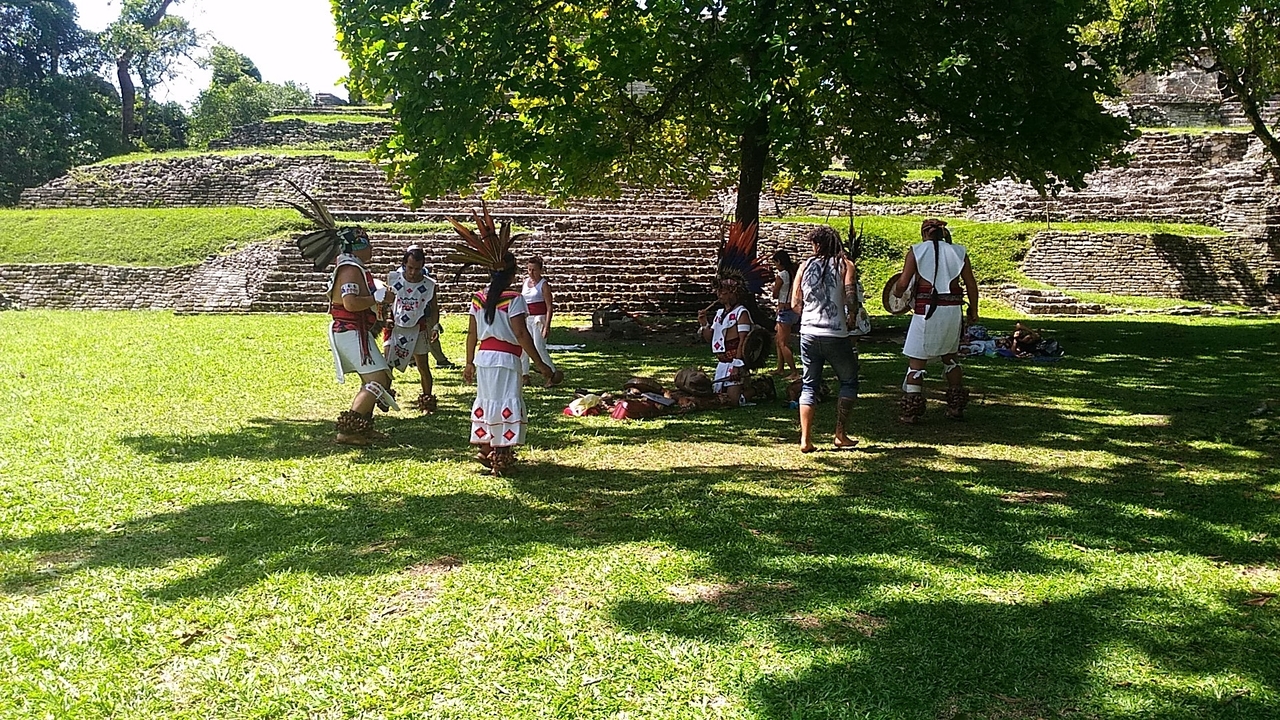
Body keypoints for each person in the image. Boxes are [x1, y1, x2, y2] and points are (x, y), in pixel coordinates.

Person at [465, 252, 555, 474]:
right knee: (505, 402)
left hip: (484, 359)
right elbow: (521, 334)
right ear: (512, 274)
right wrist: (540, 364)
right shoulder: (514, 299)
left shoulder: (478, 298)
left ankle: (485, 448)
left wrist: (469, 363)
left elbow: (472, 333)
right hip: (505, 359)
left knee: (489, 400)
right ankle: (501, 458)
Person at [892, 218, 979, 423]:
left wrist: (896, 294)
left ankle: (911, 410)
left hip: (926, 312)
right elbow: (971, 285)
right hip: (952, 312)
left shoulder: (916, 251)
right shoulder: (959, 252)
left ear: (924, 233)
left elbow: (902, 284)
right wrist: (973, 310)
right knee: (950, 357)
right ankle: (956, 407)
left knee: (916, 361)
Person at [791, 226, 860, 452]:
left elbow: (795, 303)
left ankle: (805, 439)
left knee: (809, 384)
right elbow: (851, 298)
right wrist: (851, 316)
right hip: (836, 333)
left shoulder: (804, 266)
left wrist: (809, 316)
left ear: (817, 244)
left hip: (808, 333)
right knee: (848, 381)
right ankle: (840, 433)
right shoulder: (846, 265)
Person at [327, 227, 398, 445]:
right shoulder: (350, 269)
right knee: (378, 380)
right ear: (357, 246)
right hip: (350, 331)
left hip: (354, 331)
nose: (371, 248)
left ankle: (362, 427)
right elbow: (350, 303)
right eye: (368, 243)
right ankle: (348, 431)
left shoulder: (352, 266)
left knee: (376, 379)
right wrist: (377, 298)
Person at [383, 245, 441, 413]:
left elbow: (434, 308)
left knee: (423, 365)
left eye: (417, 269)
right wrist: (386, 317)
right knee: (388, 363)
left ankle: (427, 401)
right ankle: (385, 398)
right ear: (404, 265)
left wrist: (435, 326)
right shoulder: (393, 279)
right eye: (410, 268)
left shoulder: (429, 285)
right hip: (395, 327)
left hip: (418, 328)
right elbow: (383, 302)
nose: (413, 272)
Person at [698, 278, 754, 407]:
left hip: (735, 361)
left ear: (733, 293)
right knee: (718, 396)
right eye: (718, 292)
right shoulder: (719, 313)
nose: (719, 295)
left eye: (723, 292)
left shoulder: (741, 313)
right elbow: (710, 338)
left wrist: (737, 366)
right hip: (722, 362)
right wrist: (704, 324)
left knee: (733, 400)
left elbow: (743, 340)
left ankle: (760, 387)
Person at [519, 256, 562, 387]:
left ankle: (551, 375)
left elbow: (549, 306)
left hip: (539, 318)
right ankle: (524, 375)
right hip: (527, 318)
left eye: (534, 270)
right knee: (524, 347)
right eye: (529, 269)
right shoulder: (525, 282)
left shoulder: (543, 285)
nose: (531, 273)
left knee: (539, 347)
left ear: (540, 270)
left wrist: (547, 326)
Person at [771, 249, 800, 377]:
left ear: (779, 261)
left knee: (783, 343)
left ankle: (794, 371)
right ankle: (780, 368)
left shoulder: (781, 275)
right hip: (792, 308)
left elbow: (775, 293)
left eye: (775, 263)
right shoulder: (793, 272)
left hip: (784, 310)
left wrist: (774, 288)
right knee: (778, 340)